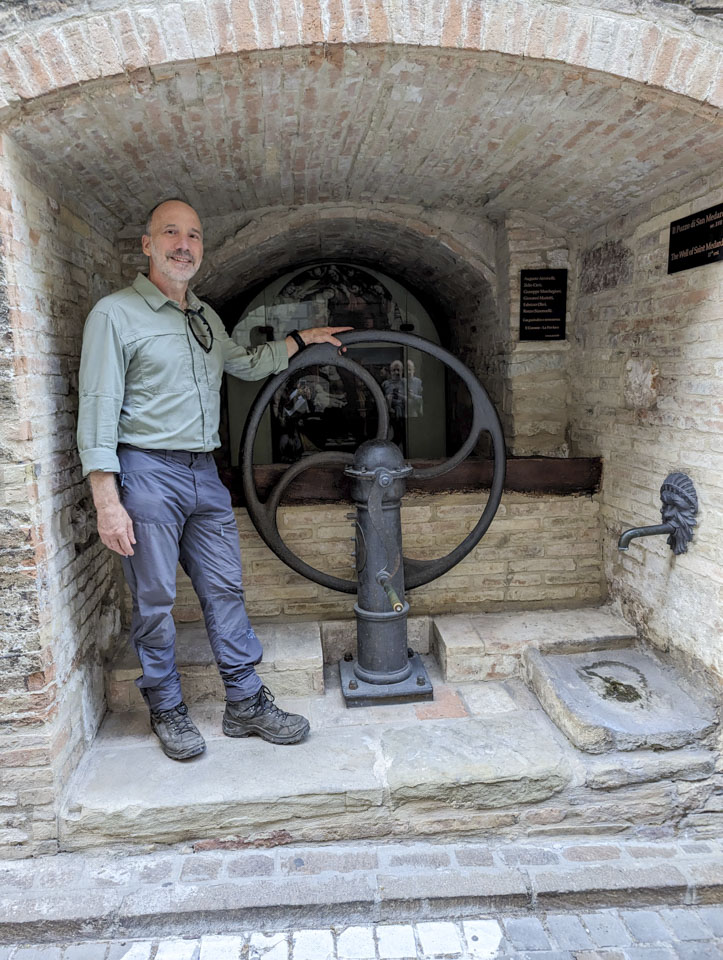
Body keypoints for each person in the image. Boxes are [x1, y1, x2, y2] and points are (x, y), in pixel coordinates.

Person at [77, 198, 350, 761]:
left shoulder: (203, 316)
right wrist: (107, 499)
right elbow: (98, 408)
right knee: (153, 599)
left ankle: (245, 702)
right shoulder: (114, 314)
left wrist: (303, 341)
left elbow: (244, 364)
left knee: (225, 587)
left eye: (195, 236)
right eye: (171, 233)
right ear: (147, 244)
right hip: (147, 471)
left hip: (205, 472)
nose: (184, 244)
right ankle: (166, 704)